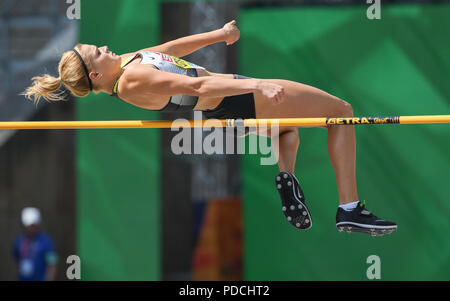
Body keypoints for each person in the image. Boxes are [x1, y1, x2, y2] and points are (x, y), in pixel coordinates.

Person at [22, 20, 397, 236]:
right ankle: (349, 207)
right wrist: (257, 85)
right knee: (341, 111)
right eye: (97, 52)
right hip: (231, 99)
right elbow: (197, 86)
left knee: (287, 132)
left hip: (229, 99)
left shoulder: (127, 64)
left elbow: (169, 49)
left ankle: (287, 178)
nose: (105, 46)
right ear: (96, 74)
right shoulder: (132, 82)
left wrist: (217, 35)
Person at [13, 207, 58, 281]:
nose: (31, 228)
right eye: (28, 226)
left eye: (33, 225)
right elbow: (16, 263)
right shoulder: (19, 241)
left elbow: (52, 264)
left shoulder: (46, 241)